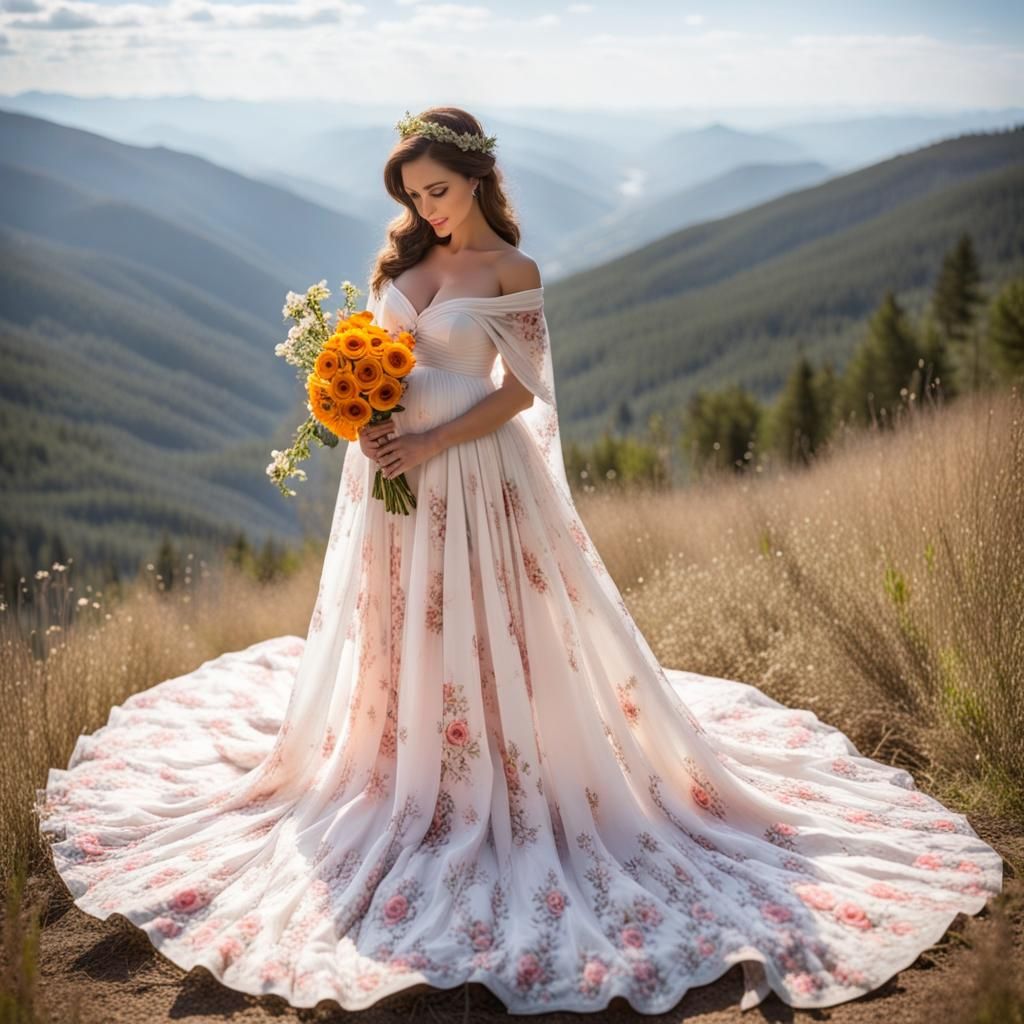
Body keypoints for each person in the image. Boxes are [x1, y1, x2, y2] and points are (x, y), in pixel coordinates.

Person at [35, 106, 1003, 1015]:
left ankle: (491, 768)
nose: (424, 209)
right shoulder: (405, 260)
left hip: (469, 474)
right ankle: (398, 753)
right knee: (402, 624)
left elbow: (519, 393)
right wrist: (361, 416)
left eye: (438, 191)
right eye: (412, 195)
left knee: (487, 624)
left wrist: (428, 444)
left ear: (476, 177)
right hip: (390, 487)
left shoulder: (513, 269)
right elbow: (377, 351)